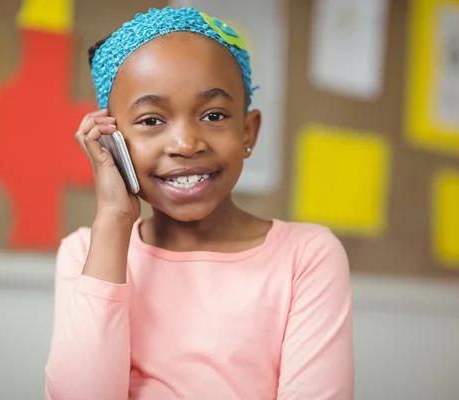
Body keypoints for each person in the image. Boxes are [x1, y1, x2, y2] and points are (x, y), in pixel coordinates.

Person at [44, 6, 354, 400]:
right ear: (112, 141)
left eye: (213, 114)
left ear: (248, 131)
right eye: (152, 120)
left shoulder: (307, 257)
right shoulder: (86, 252)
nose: (186, 144)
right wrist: (113, 221)